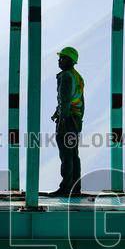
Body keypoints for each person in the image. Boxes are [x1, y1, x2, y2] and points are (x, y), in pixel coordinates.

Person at [48, 46, 85, 197]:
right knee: (74, 154)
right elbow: (80, 101)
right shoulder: (77, 76)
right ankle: (76, 187)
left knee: (66, 154)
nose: (59, 60)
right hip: (75, 119)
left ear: (70, 60)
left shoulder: (66, 76)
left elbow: (65, 99)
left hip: (67, 120)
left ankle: (65, 188)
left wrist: (62, 119)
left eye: (62, 58)